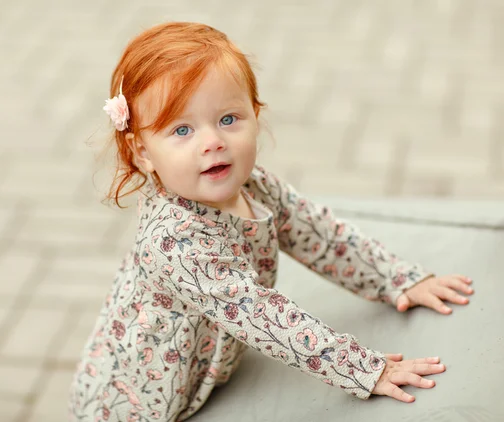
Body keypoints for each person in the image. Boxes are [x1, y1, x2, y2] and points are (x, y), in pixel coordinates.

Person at [68, 22, 474, 422]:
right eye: (182, 129)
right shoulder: (173, 241)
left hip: (203, 374)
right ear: (142, 152)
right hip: (134, 406)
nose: (212, 141)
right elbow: (263, 317)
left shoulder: (254, 185)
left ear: (255, 115)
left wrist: (397, 278)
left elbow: (319, 234)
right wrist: (365, 368)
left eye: (228, 119)